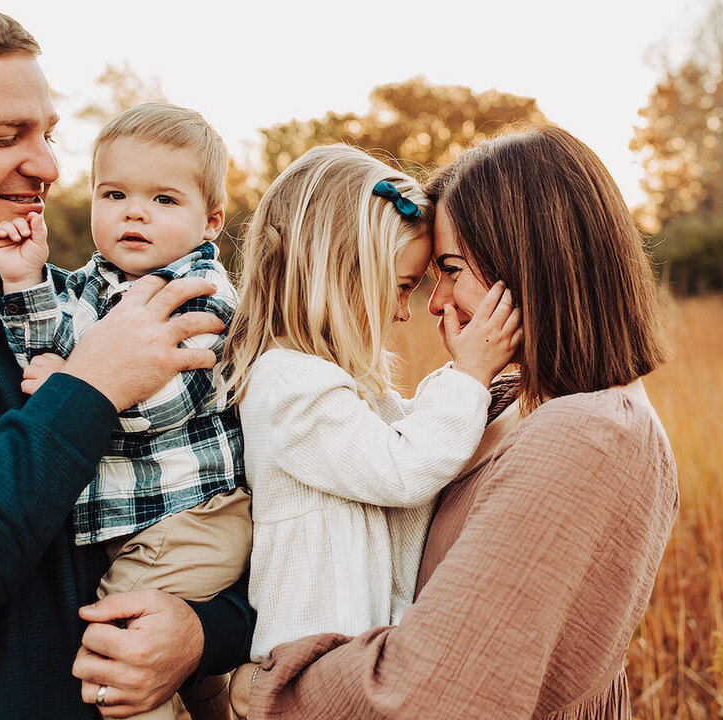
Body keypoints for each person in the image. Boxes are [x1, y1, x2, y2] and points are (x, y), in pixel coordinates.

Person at [0, 1, 252, 718]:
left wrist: (206, 633)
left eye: (47, 133)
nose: (46, 164)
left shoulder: (88, 306)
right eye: (3, 136)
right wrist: (89, 386)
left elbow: (236, 499)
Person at [230, 125, 679, 720]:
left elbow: (429, 697)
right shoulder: (521, 401)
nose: (433, 304)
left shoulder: (589, 435)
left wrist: (253, 690)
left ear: (525, 267)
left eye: (450, 269)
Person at [0, 101, 250, 720]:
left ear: (210, 221)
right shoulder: (85, 288)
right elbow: (41, 350)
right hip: (139, 526)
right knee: (198, 681)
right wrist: (26, 282)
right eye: (115, 193)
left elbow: (174, 395)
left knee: (118, 653)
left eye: (164, 199)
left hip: (192, 518)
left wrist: (76, 387)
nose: (135, 211)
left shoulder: (200, 291)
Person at [216, 143, 521, 663]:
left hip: (347, 658)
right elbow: (404, 468)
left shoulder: (331, 383)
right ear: (341, 274)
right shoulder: (290, 386)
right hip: (309, 668)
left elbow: (410, 436)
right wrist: (469, 375)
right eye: (401, 287)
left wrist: (475, 382)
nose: (406, 312)